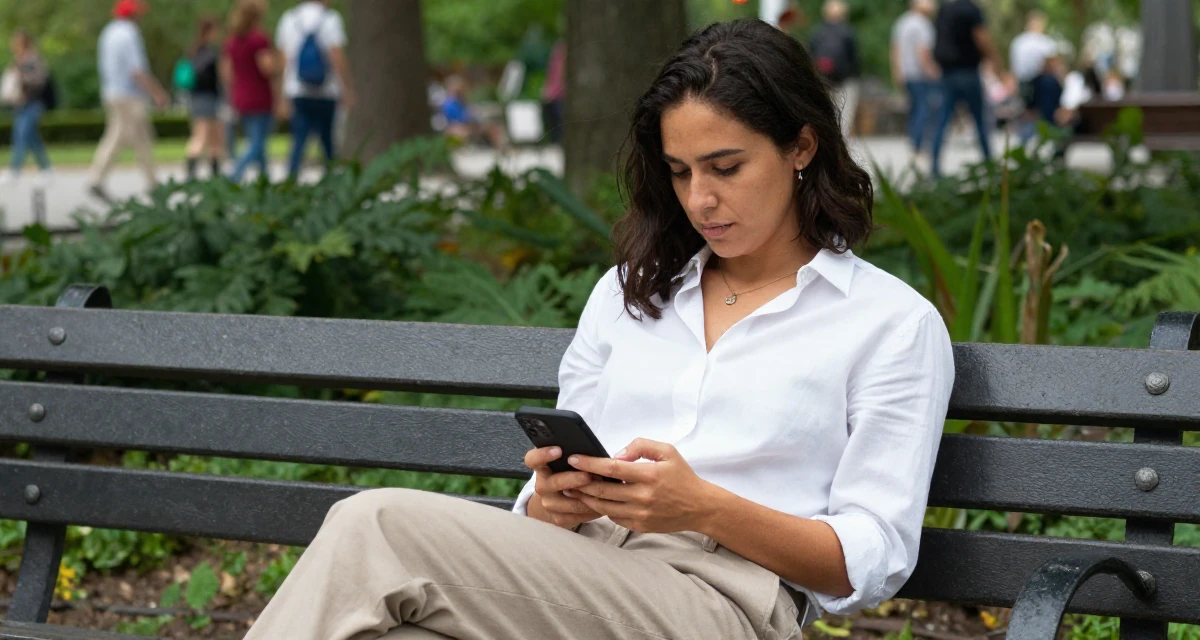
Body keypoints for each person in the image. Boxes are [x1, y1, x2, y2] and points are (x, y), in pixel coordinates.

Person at [243, 18, 954, 640]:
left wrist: (702, 506)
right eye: (678, 172)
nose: (700, 199)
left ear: (801, 147)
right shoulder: (627, 294)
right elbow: (539, 503)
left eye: (726, 167)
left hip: (721, 605)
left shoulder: (889, 324)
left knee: (375, 528)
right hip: (576, 579)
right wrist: (551, 505)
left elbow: (874, 554)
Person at [87, 0, 169, 204]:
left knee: (140, 137)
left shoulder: (108, 32)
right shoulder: (129, 33)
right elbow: (137, 70)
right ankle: (97, 179)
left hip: (112, 92)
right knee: (120, 135)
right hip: (128, 95)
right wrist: (157, 92)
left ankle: (152, 183)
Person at [275, 0, 355, 181]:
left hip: (297, 89)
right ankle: (332, 183)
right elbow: (337, 56)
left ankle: (291, 182)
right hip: (327, 91)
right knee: (327, 141)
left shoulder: (289, 18)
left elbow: (283, 60)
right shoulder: (330, 19)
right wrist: (347, 88)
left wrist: (280, 95)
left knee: (299, 140)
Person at [929, 0, 1002, 178]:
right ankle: (989, 164)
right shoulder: (971, 9)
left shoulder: (944, 9)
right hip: (968, 72)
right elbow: (981, 37)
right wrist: (996, 61)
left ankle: (934, 168)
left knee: (942, 121)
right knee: (980, 120)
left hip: (947, 73)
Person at [224, 0, 280, 183]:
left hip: (241, 96)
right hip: (259, 97)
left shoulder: (232, 41)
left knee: (258, 142)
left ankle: (265, 183)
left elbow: (226, 73)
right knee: (257, 144)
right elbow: (267, 68)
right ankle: (234, 176)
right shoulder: (258, 40)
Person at [0, 31, 53, 186]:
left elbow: (40, 80)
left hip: (33, 103)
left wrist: (22, 77)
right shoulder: (17, 61)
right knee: (31, 138)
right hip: (20, 104)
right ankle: (46, 169)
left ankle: (14, 170)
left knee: (21, 135)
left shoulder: (34, 59)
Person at [890, 0, 940, 155]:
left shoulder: (902, 22)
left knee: (914, 108)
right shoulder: (923, 24)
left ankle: (914, 141)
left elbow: (895, 50)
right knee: (923, 109)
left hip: (907, 74)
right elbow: (923, 52)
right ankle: (919, 145)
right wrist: (932, 71)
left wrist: (897, 71)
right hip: (920, 74)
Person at [809, 0, 861, 138]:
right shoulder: (848, 33)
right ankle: (842, 144)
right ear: (844, 14)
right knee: (845, 116)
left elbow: (811, 57)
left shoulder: (817, 34)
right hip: (845, 80)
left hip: (824, 80)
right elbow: (854, 59)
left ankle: (827, 142)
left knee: (827, 114)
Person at [184, 18, 226, 181]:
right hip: (207, 97)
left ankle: (214, 173)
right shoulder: (209, 54)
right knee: (201, 137)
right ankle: (192, 173)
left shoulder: (194, 51)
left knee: (214, 138)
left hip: (197, 97)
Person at [1009, 10, 1060, 144]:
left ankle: (1024, 140)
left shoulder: (1017, 42)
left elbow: (1014, 69)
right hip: (1041, 85)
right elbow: (1052, 66)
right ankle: (1049, 137)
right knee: (1045, 112)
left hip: (1023, 84)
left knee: (1028, 112)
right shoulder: (1044, 42)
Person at [440, 75, 508, 149]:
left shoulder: (461, 101)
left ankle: (501, 147)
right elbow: (459, 119)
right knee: (489, 127)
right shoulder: (450, 104)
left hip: (468, 126)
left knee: (492, 126)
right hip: (459, 127)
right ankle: (500, 148)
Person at [540, 40, 565, 144]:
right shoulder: (557, 53)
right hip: (554, 92)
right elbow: (551, 75)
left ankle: (558, 141)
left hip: (561, 93)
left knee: (559, 117)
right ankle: (555, 140)